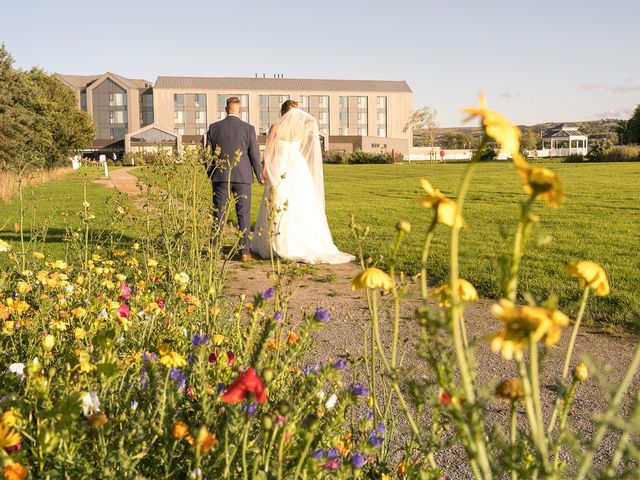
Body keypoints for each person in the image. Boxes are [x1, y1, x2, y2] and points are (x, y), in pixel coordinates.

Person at [251, 100, 354, 264]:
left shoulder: (276, 126)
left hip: (281, 166)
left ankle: (279, 242)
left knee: (279, 201)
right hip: (298, 167)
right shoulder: (301, 128)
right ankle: (303, 240)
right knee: (302, 203)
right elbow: (305, 139)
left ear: (283, 112)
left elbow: (268, 149)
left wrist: (265, 170)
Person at [206, 97, 263, 261]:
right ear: (240, 110)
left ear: (225, 109)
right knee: (243, 214)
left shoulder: (214, 128)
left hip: (220, 177)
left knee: (219, 213)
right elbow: (254, 154)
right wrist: (259, 174)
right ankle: (244, 251)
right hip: (243, 177)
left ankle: (214, 250)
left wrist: (212, 173)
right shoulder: (249, 129)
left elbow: (208, 155)